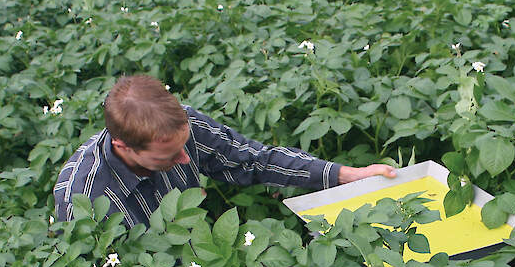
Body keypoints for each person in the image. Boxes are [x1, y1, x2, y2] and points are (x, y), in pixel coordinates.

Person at [53, 74, 395, 229]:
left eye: (183, 147)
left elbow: (255, 161)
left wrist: (346, 175)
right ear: (123, 146)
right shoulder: (84, 197)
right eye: (168, 158)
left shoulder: (181, 124)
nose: (185, 161)